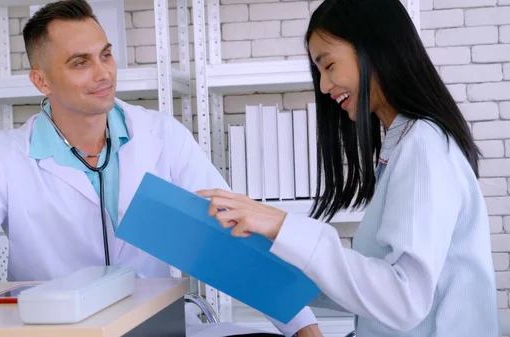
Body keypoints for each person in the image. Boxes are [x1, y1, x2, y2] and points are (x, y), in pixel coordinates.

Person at [0, 0, 321, 336]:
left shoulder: (163, 136)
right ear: (42, 80)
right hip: (57, 331)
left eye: (105, 54)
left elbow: (231, 236)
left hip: (160, 326)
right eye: (80, 62)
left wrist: (302, 327)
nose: (103, 73)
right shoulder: (2, 155)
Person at [198, 0, 500, 336]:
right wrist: (274, 262)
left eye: (328, 66)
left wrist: (282, 225)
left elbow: (404, 300)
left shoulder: (424, 145)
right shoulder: (405, 145)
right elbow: (374, 291)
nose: (325, 86)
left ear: (373, 48)